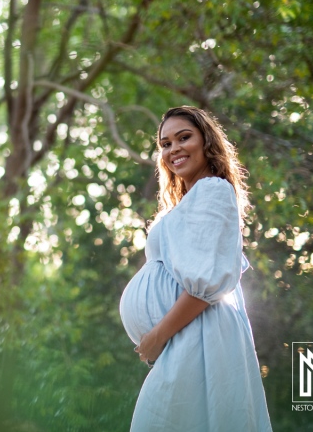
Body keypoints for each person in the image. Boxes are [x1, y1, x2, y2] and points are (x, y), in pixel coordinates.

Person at [119, 106, 273, 431]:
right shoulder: (188, 202)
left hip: (200, 333)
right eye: (165, 143)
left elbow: (207, 285)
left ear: (206, 142)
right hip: (186, 335)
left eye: (183, 137)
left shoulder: (212, 189)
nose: (173, 148)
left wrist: (157, 336)